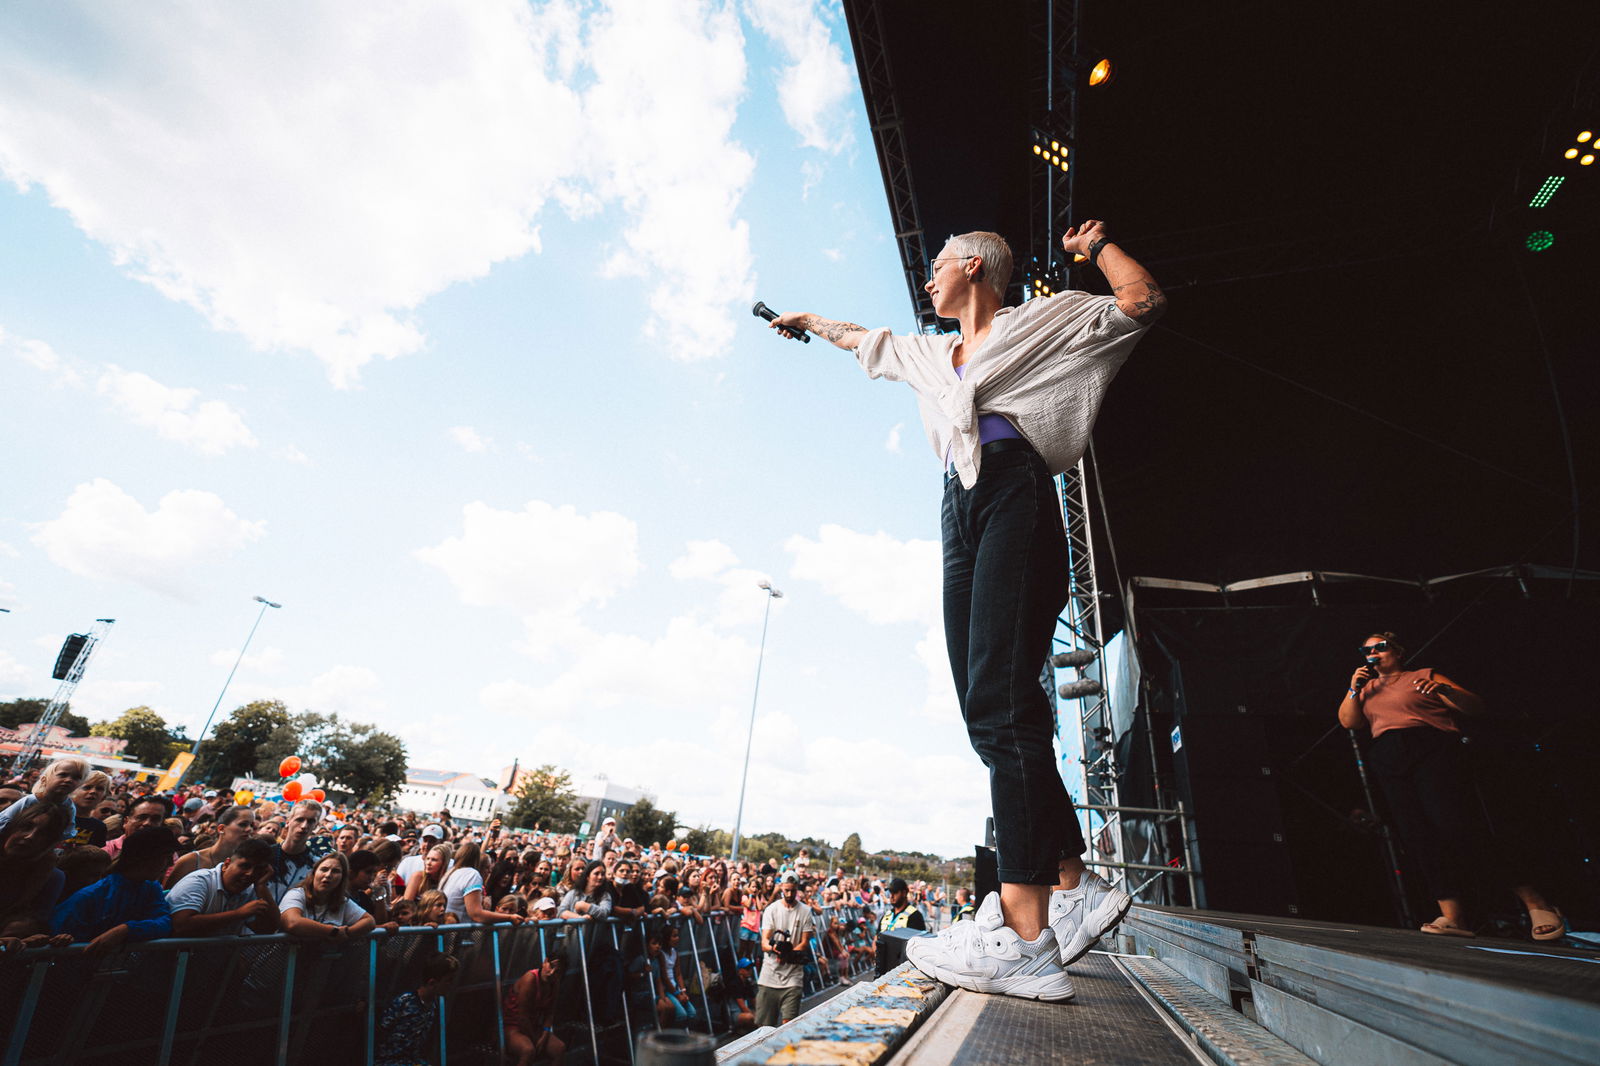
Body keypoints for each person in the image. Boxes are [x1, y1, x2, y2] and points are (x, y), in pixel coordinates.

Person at [769, 220, 1162, 1000]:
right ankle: (1073, 882)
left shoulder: (1036, 323)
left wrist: (1098, 247)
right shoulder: (929, 352)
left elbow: (1140, 301)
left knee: (1003, 700)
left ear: (973, 267)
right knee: (985, 707)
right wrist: (808, 322)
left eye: (935, 267)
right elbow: (863, 338)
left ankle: (1026, 937)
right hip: (959, 500)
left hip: (1015, 482)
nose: (925, 282)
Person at [1338, 631, 1565, 940]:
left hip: (1431, 747)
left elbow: (1475, 707)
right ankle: (1453, 917)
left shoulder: (1423, 675)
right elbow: (1350, 722)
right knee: (1417, 835)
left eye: (1380, 646)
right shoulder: (1367, 688)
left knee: (1458, 826)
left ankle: (1536, 903)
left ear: (1398, 651)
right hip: (1389, 755)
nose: (1373, 653)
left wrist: (1444, 689)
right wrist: (1354, 689)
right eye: (1366, 649)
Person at [51, 826, 179, 954]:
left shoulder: (151, 888)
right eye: (166, 857)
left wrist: (126, 930)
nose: (170, 864)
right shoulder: (89, 896)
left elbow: (165, 923)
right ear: (145, 858)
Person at [166, 835, 280, 937]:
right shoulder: (199, 881)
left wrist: (261, 886)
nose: (250, 873)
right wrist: (238, 914)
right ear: (227, 864)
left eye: (258, 870)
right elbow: (181, 924)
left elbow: (268, 928)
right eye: (245, 866)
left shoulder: (251, 891)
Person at [0, 801, 72, 940]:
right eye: (26, 827)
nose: (30, 836)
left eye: (43, 833)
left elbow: (34, 920)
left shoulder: (51, 877)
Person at [375, 953, 457, 1066]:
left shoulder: (432, 1005)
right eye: (448, 980)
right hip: (389, 1060)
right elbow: (381, 1032)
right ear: (432, 983)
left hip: (411, 1060)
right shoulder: (405, 1002)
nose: (451, 985)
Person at [755, 873, 814, 1027]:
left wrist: (789, 954)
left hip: (793, 975)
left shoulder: (805, 911)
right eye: (786, 890)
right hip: (769, 975)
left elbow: (805, 942)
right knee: (764, 1028)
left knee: (788, 1025)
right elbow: (764, 942)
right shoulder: (771, 909)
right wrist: (774, 948)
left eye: (793, 891)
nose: (789, 894)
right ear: (781, 887)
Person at [280, 852, 377, 939]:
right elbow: (292, 922)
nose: (328, 875)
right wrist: (333, 931)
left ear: (343, 878)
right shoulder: (297, 894)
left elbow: (369, 921)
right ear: (314, 873)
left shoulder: (342, 901)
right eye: (324, 869)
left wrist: (347, 932)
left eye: (335, 871)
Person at [165, 803, 258, 888]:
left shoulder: (249, 868)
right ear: (221, 828)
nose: (249, 829)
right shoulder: (190, 861)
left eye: (252, 826)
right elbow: (167, 899)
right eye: (243, 824)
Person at [0, 757, 86, 841]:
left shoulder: (69, 807)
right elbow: (4, 821)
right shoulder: (30, 800)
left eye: (76, 777)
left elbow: (66, 832)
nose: (68, 780)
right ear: (45, 779)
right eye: (62, 775)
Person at [440, 841, 525, 926]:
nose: (489, 871)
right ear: (478, 860)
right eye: (487, 867)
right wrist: (509, 918)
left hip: (447, 928)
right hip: (457, 932)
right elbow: (477, 914)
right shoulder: (472, 875)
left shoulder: (451, 872)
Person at [504, 955, 565, 1065]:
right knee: (528, 1050)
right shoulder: (530, 979)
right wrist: (536, 1040)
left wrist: (545, 1033)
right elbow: (522, 1018)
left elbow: (550, 1013)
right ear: (545, 962)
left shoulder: (554, 982)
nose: (551, 972)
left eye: (557, 971)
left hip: (532, 1025)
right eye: (551, 966)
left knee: (559, 1048)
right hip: (512, 1026)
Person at [264, 800, 329, 903]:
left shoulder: (316, 864)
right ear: (288, 821)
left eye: (311, 821)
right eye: (299, 819)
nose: (304, 826)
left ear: (316, 826)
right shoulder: (265, 854)